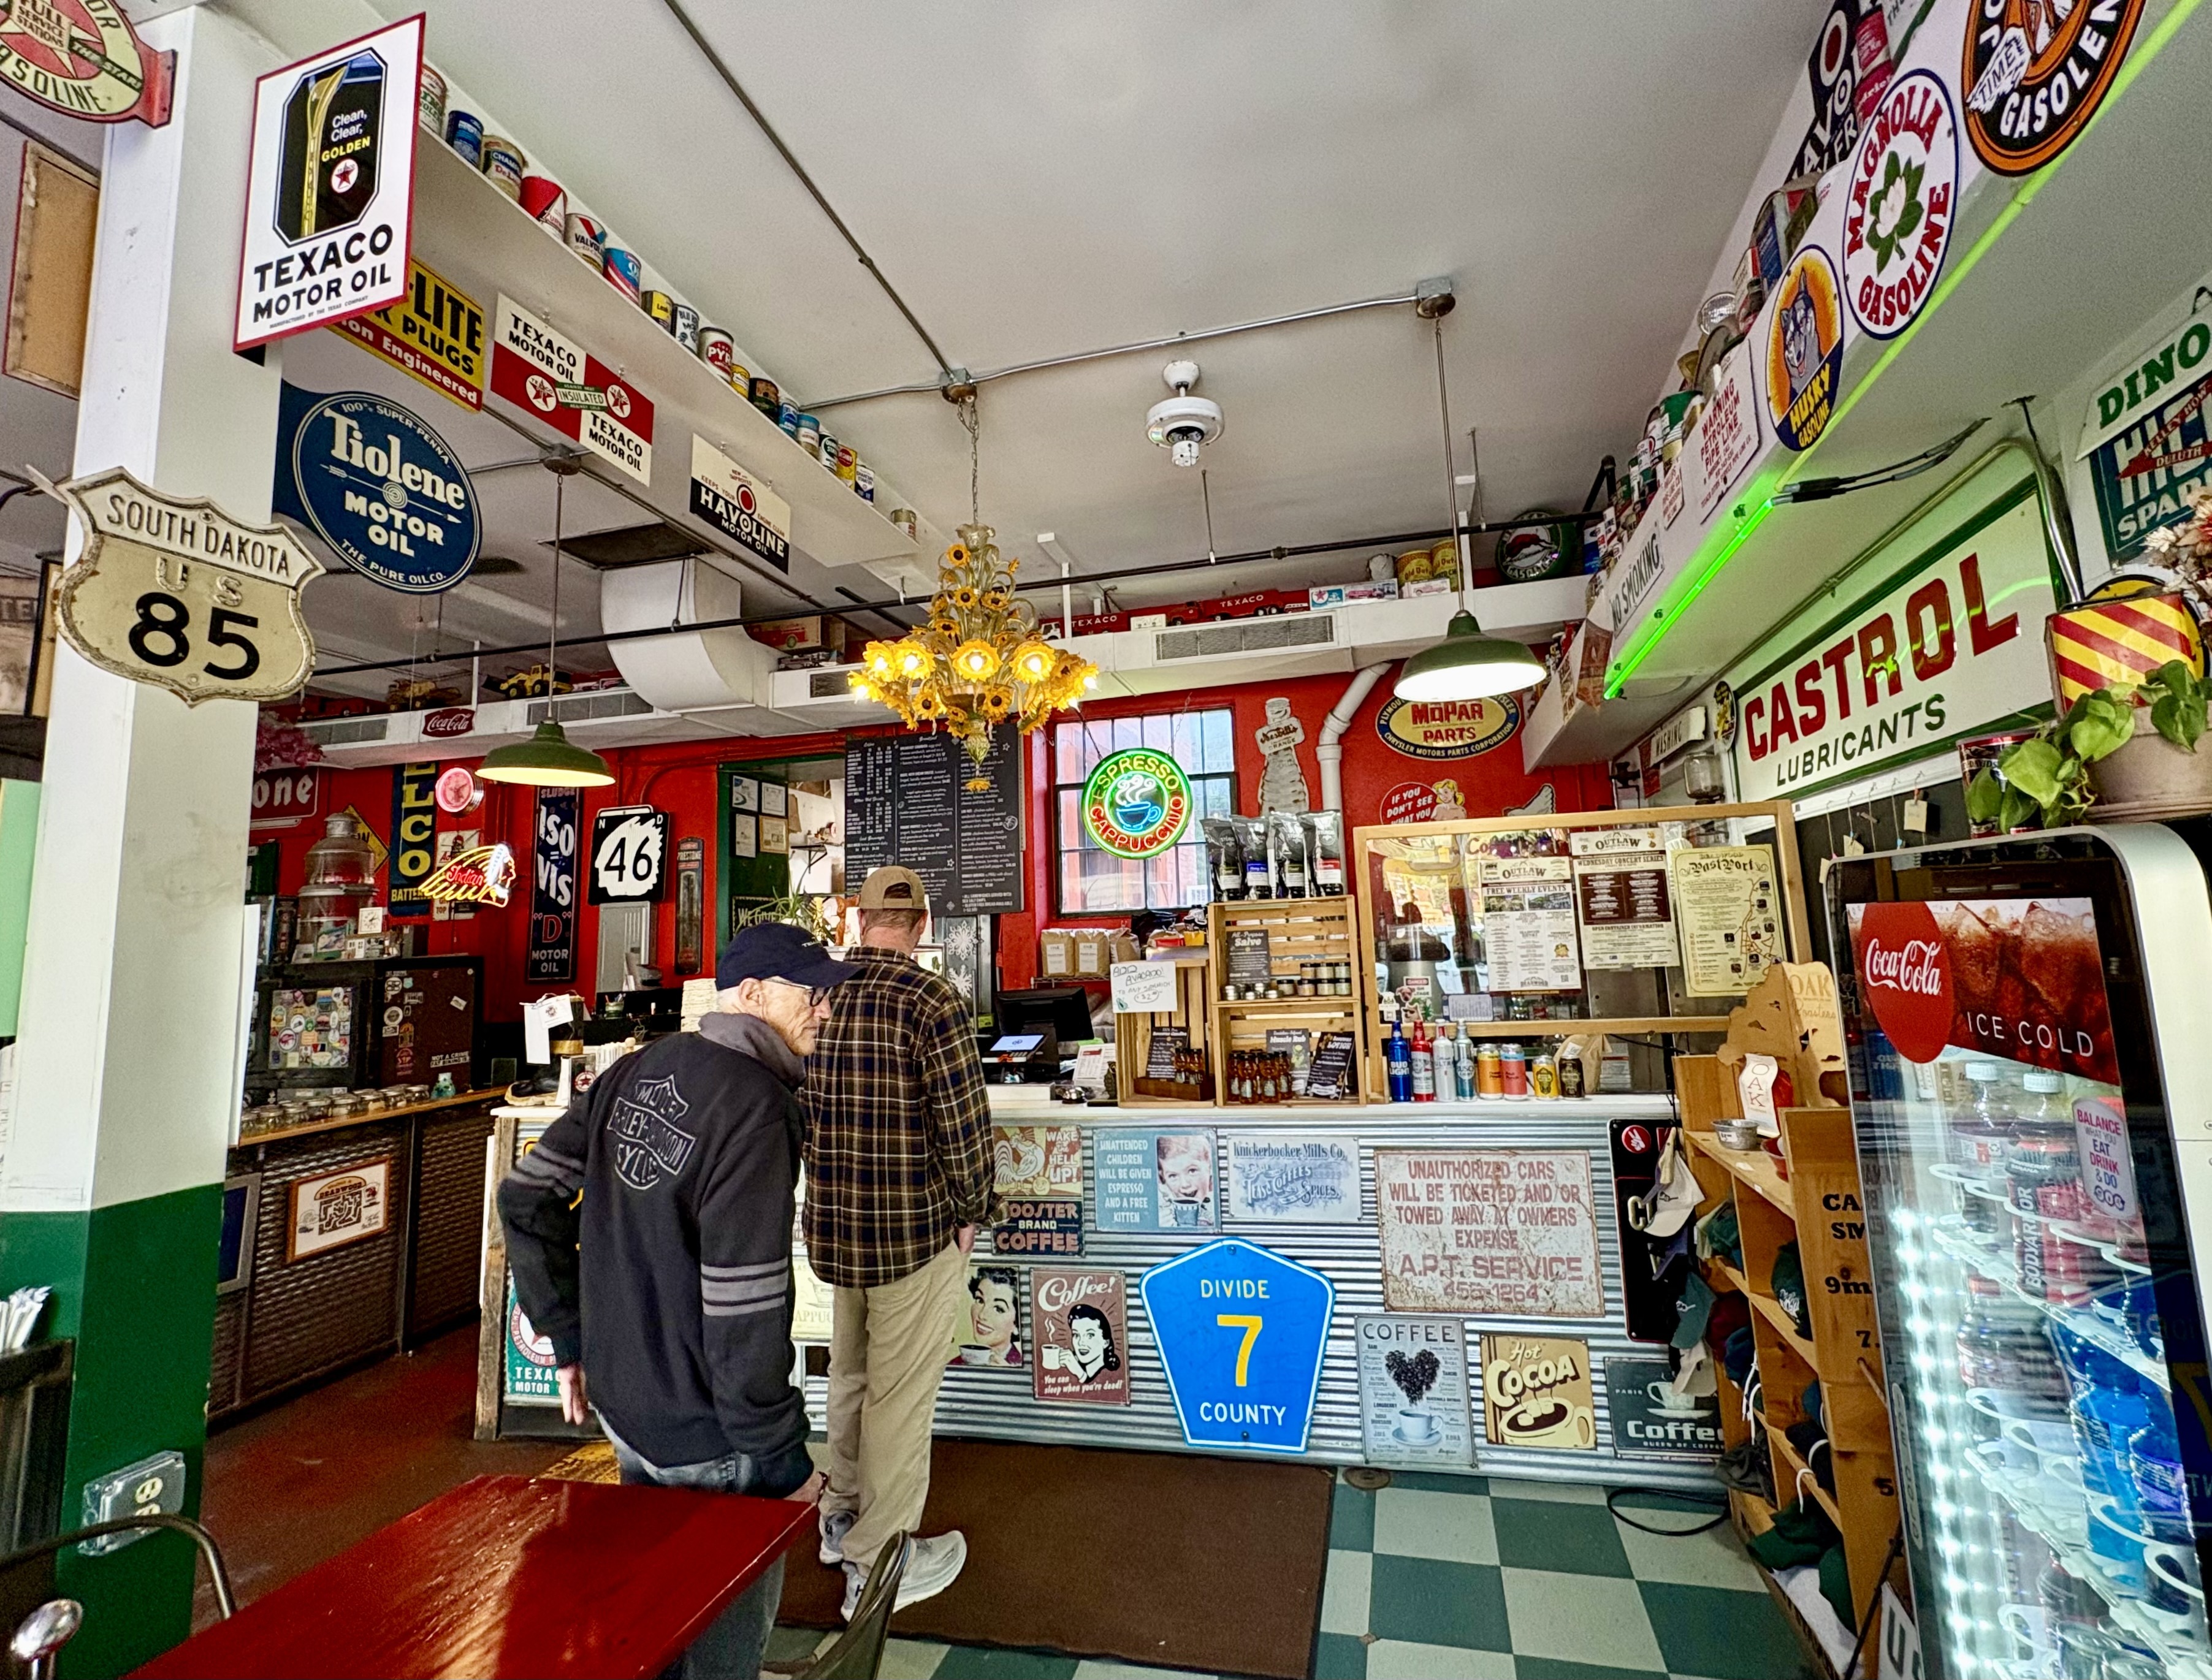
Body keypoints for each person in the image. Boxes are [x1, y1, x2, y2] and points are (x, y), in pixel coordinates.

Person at [497, 921, 858, 1680]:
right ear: (752, 994)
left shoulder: (639, 1065)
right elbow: (743, 1303)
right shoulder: (755, 1106)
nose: (825, 1007)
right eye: (811, 992)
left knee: (653, 1621)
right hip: (711, 1433)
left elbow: (525, 1194)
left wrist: (569, 1337)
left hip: (624, 1405)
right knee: (719, 1650)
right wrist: (781, 1458)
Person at [804, 865, 994, 1620]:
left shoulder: (818, 994)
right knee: (899, 1397)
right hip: (911, 1233)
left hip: (835, 1229)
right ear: (921, 923)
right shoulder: (931, 997)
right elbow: (963, 1121)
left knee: (849, 1376)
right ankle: (878, 1563)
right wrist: (973, 1207)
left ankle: (840, 1517)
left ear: (857, 919)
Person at [955, 1265, 1024, 1367]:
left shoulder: (1022, 1366)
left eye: (998, 1309)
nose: (982, 1315)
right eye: (980, 1300)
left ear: (1017, 1323)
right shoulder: (955, 1364)